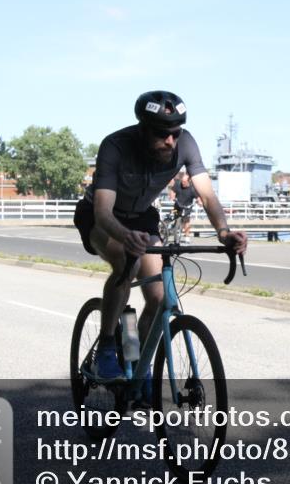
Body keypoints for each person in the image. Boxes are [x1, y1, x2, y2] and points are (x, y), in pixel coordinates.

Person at [73, 90, 247, 401]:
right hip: (101, 217)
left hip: (142, 217)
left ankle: (134, 362)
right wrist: (124, 236)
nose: (170, 141)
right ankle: (108, 346)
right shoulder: (116, 146)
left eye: (175, 133)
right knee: (126, 262)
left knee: (159, 298)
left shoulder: (186, 143)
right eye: (162, 134)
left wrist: (224, 232)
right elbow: (102, 210)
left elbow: (206, 195)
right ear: (143, 129)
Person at [171, 171, 198, 245]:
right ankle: (173, 229)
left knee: (186, 221)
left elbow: (198, 198)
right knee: (175, 218)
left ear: (189, 181)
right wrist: (173, 197)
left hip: (187, 207)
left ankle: (187, 237)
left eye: (184, 181)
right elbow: (173, 191)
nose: (183, 183)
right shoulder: (177, 184)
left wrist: (199, 202)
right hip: (177, 205)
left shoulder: (192, 189)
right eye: (182, 181)